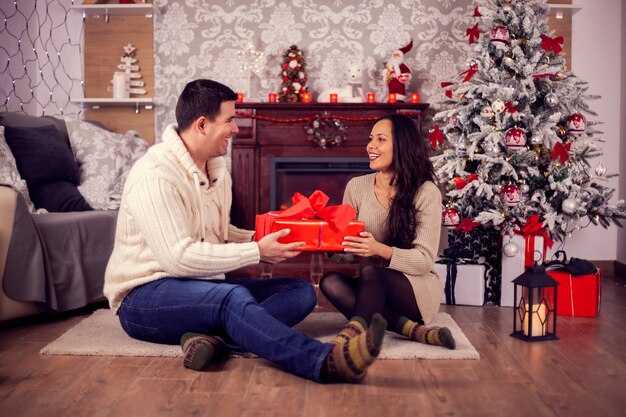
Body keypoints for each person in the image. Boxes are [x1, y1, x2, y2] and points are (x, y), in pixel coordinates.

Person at [103, 78, 386, 383]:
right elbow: (176, 257)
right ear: (202, 125)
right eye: (230, 120)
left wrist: (259, 238)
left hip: (200, 289)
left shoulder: (215, 171)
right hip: (145, 298)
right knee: (233, 298)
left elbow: (219, 232)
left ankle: (209, 339)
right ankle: (323, 361)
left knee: (299, 291)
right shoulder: (156, 175)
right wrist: (257, 252)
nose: (237, 128)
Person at [320, 113, 456, 350]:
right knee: (330, 282)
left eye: (380, 139)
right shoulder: (357, 186)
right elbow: (349, 251)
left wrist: (378, 249)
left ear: (402, 146)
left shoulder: (426, 192)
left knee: (371, 271)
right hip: (369, 284)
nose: (371, 146)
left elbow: (424, 261)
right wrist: (326, 243)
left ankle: (353, 335)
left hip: (414, 288)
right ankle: (414, 331)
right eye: (371, 138)